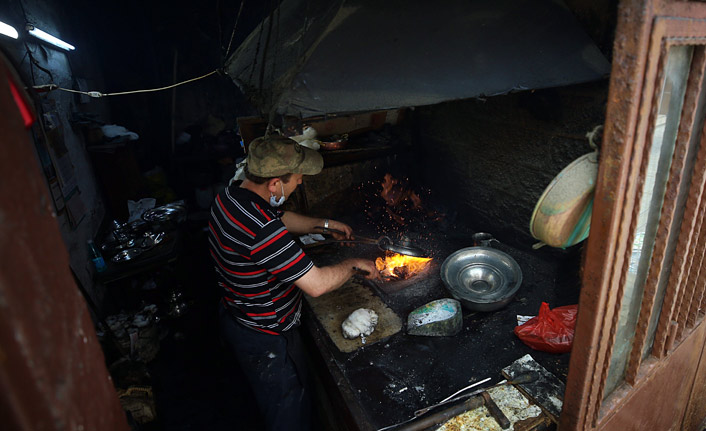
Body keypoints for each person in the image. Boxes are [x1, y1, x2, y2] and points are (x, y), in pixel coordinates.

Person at [208, 134, 379, 431]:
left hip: (238, 315)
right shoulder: (262, 231)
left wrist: (324, 225)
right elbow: (317, 284)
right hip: (267, 336)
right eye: (297, 178)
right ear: (275, 183)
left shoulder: (232, 196)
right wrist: (353, 264)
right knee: (288, 411)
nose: (300, 183)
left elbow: (279, 216)